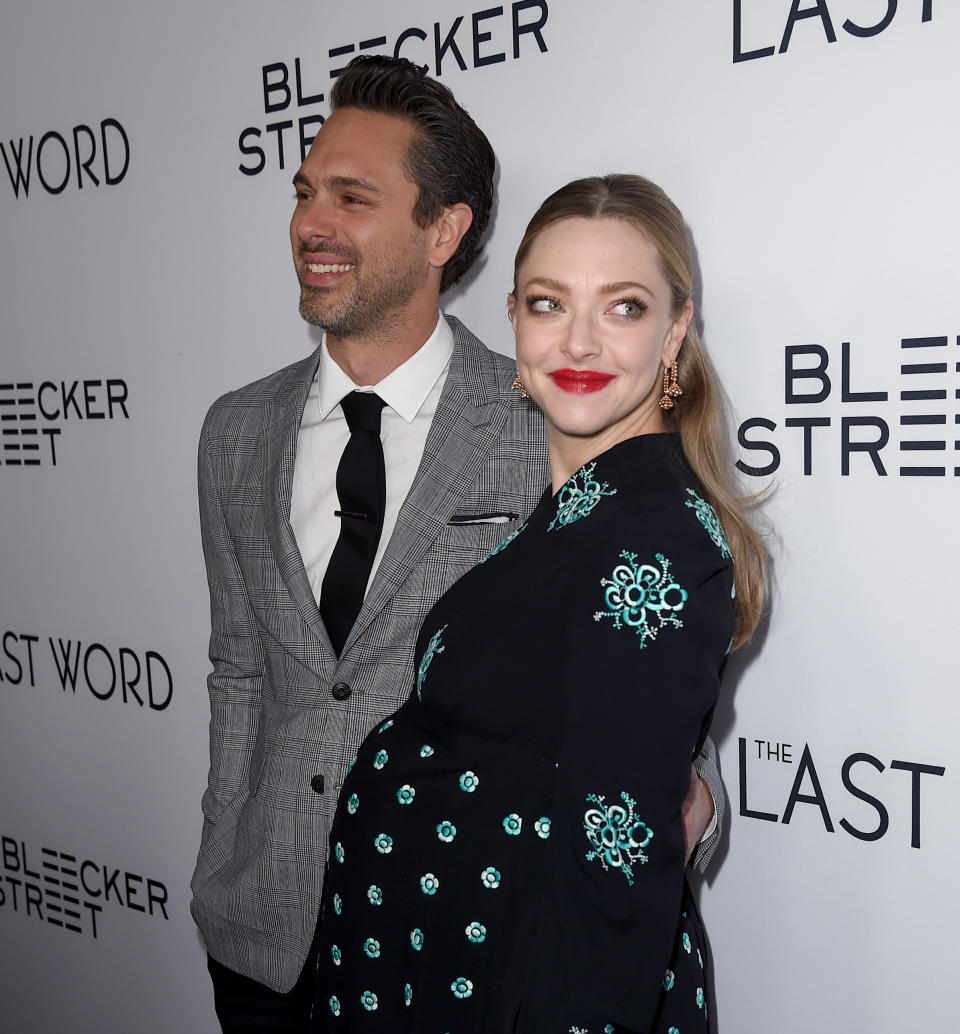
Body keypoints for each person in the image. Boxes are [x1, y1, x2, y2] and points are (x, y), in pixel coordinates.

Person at [190, 55, 724, 1034]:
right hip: (260, 938)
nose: (313, 223)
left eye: (353, 197)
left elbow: (647, 677)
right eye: (307, 192)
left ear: (445, 229)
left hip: (458, 958)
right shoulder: (234, 431)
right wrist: (225, 850)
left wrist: (688, 806)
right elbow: (240, 668)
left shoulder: (554, 424)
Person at [312, 173, 766, 1032]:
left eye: (624, 308)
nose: (582, 342)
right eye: (551, 303)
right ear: (515, 319)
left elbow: (616, 868)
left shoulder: (655, 535)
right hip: (441, 971)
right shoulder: (578, 510)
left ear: (675, 332)